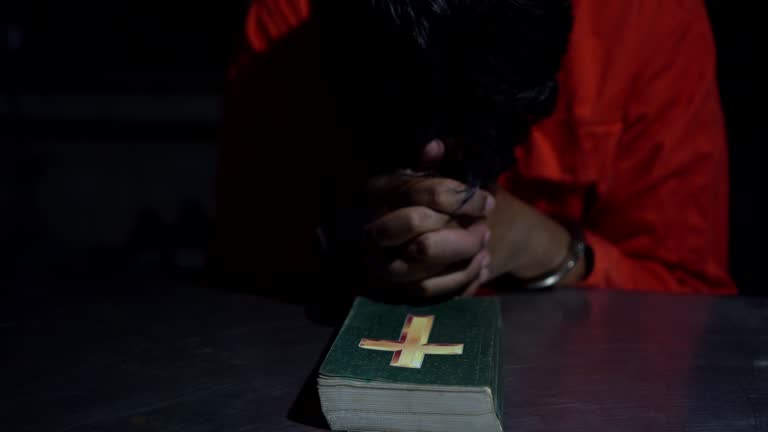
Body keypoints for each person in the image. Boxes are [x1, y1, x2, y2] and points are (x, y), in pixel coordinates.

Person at [214, 0, 736, 297]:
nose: (436, 160)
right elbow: (239, 266)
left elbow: (694, 300)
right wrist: (340, 246)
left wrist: (552, 251)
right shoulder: (287, 20)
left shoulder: (650, 23)